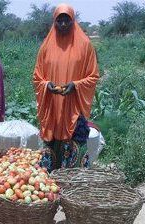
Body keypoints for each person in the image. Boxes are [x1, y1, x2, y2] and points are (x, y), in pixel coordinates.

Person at [33, 4, 99, 172]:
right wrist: (47, 85)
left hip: (74, 107)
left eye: (66, 20)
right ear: (54, 21)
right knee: (50, 153)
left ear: (73, 20)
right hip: (53, 106)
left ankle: (73, 186)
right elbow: (37, 77)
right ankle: (52, 186)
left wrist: (75, 85)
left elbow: (93, 76)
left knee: (74, 147)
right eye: (59, 20)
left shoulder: (85, 45)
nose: (63, 24)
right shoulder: (46, 47)